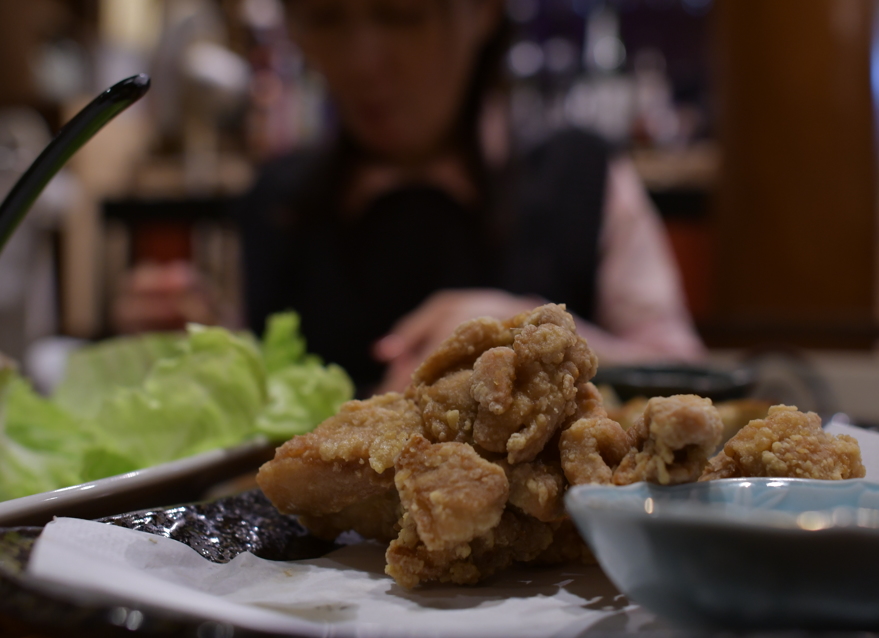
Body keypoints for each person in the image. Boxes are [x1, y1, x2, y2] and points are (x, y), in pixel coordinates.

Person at [118, 0, 704, 395]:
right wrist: (192, 349)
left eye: (400, 15)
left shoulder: (583, 177)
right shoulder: (278, 200)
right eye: (324, 17)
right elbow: (264, 398)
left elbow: (692, 381)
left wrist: (541, 343)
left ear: (481, 12)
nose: (361, 62)